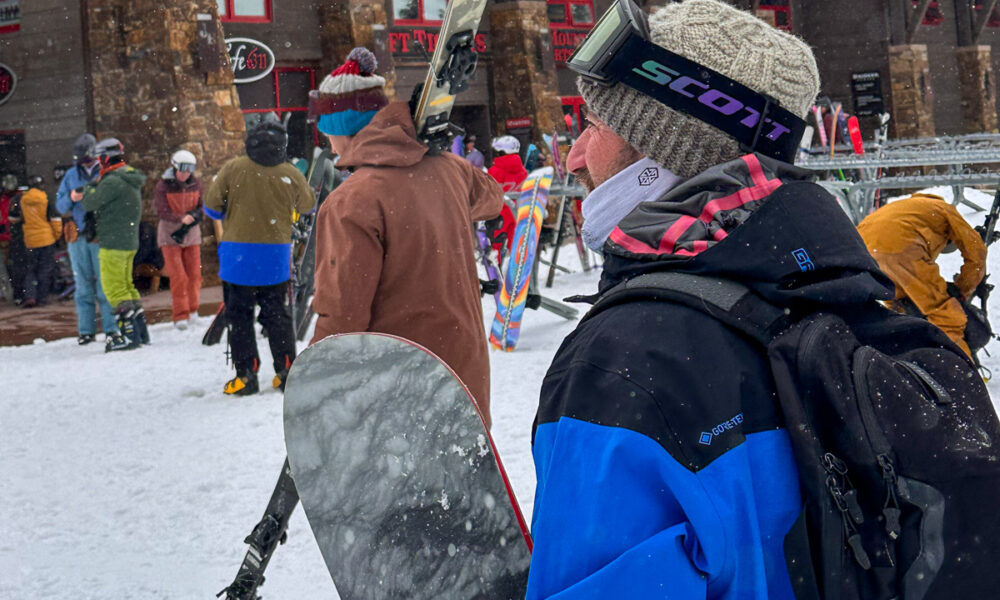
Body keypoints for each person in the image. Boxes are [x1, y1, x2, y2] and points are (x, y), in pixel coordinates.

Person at [523, 1, 889, 597]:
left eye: (594, 125)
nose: (575, 157)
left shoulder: (628, 358)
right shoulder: (844, 289)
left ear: (661, 157)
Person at [307, 47, 503, 426]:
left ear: (342, 127)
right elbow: (492, 198)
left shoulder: (351, 201)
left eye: (327, 131)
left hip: (401, 387)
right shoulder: (451, 170)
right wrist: (439, 162)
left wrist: (318, 388)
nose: (327, 143)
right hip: (465, 375)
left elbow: (342, 314)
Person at [203, 119, 315, 395]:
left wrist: (234, 209)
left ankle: (246, 374)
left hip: (237, 256)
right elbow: (308, 205)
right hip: (274, 257)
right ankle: (286, 369)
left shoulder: (233, 169)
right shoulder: (289, 172)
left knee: (239, 316)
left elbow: (211, 208)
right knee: (276, 314)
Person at [857, 192, 986, 357]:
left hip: (864, 254)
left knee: (899, 313)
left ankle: (904, 365)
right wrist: (963, 289)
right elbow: (976, 251)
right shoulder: (944, 208)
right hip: (901, 251)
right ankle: (958, 373)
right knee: (945, 316)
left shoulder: (904, 208)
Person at [82, 138, 149, 352]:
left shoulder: (112, 181)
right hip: (128, 241)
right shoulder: (128, 176)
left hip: (113, 241)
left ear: (105, 158)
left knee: (113, 287)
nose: (98, 163)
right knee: (127, 285)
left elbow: (90, 202)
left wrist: (87, 188)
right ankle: (140, 331)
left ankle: (129, 335)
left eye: (99, 158)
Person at [56, 133, 119, 345]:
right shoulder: (70, 176)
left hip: (100, 235)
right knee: (82, 285)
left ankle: (111, 328)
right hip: (77, 236)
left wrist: (92, 194)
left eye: (87, 158)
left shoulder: (106, 172)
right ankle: (86, 330)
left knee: (104, 284)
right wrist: (71, 197)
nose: (85, 162)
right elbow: (59, 206)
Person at [155, 150, 203, 330]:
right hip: (169, 236)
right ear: (174, 167)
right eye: (182, 169)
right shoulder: (163, 186)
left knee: (195, 274)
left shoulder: (196, 184)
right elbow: (162, 210)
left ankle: (193, 310)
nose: (185, 174)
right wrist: (179, 218)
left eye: (189, 170)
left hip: (191, 234)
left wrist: (193, 216)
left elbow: (202, 206)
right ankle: (180, 314)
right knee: (178, 277)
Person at [7, 176, 61, 307]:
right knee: (45, 269)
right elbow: (55, 220)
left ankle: (30, 296)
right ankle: (42, 298)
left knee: (29, 269)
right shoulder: (46, 198)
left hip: (29, 239)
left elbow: (12, 219)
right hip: (46, 238)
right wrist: (56, 236)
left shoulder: (21, 199)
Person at [487, 135, 527, 255]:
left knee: (495, 246)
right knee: (516, 246)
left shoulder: (494, 171)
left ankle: (496, 272)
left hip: (498, 214)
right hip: (516, 212)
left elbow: (488, 192)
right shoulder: (523, 171)